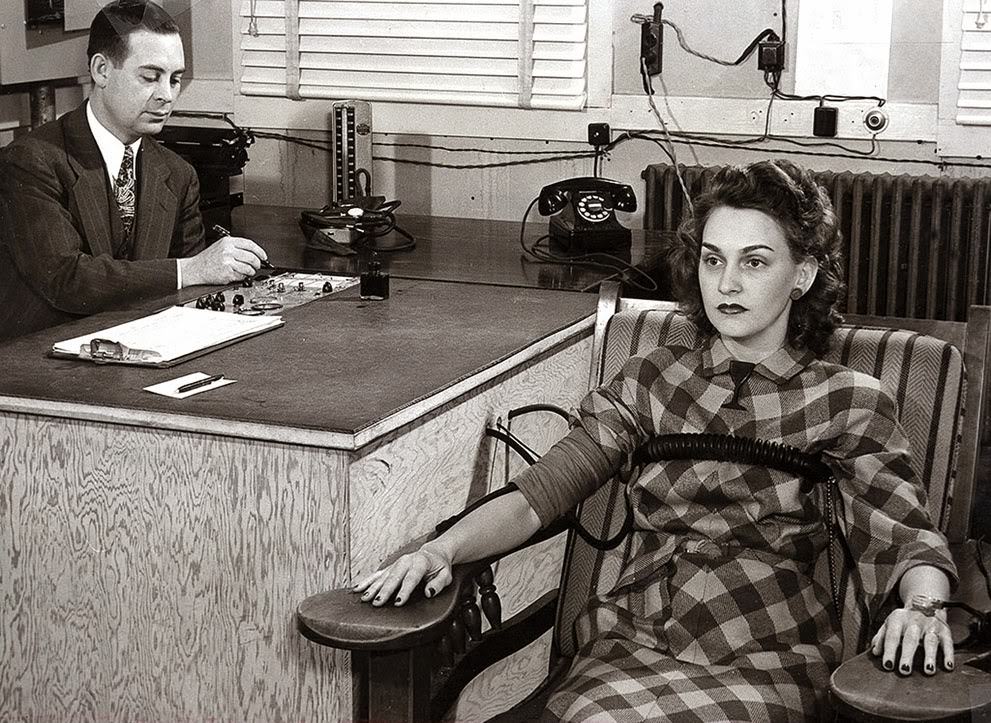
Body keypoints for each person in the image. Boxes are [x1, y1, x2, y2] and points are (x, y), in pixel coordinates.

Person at [353, 159, 958, 721]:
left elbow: (904, 535)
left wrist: (924, 608)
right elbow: (542, 491)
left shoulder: (847, 399)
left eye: (754, 262)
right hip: (632, 639)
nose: (727, 283)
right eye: (712, 259)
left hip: (765, 650)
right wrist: (444, 550)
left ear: (801, 275)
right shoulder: (651, 378)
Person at [0, 0, 270, 340]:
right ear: (101, 70)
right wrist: (191, 269)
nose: (166, 95)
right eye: (150, 77)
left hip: (141, 354)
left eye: (175, 79)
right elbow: (65, 278)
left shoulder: (177, 174)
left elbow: (191, 290)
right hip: (35, 363)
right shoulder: (32, 160)